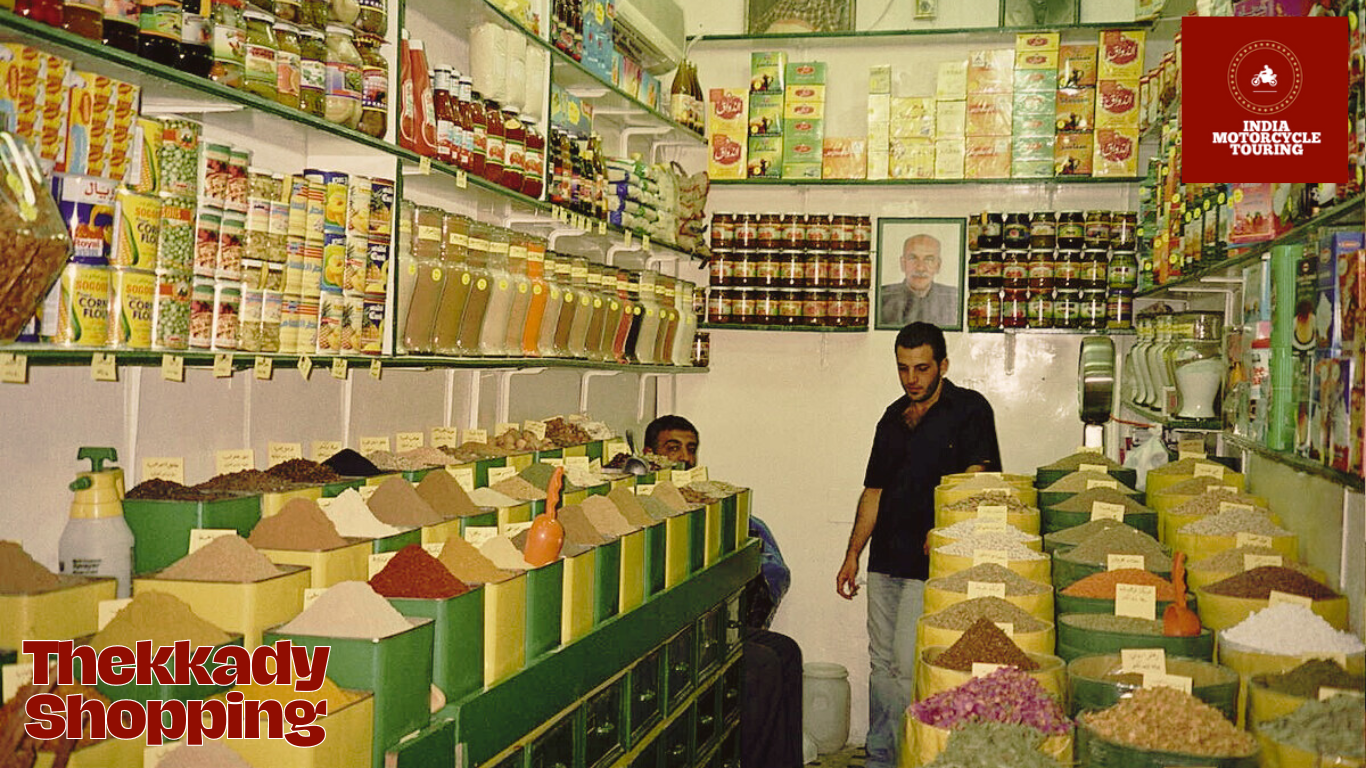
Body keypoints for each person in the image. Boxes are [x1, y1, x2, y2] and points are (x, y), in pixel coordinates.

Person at [835, 323, 1001, 768]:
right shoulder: (892, 418)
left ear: (943, 366)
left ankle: (905, 756)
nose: (912, 378)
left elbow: (978, 478)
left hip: (932, 566)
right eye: (903, 368)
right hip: (884, 560)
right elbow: (874, 492)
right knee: (881, 666)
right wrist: (852, 554)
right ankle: (880, 755)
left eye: (922, 368)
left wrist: (945, 526)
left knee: (906, 668)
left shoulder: (970, 410)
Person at [645, 415, 803, 768]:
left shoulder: (699, 504)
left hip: (706, 624)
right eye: (673, 449)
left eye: (691, 449)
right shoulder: (641, 507)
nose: (684, 458)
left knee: (786, 651)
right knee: (759, 666)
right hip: (666, 636)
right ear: (649, 454)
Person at [878, 234, 960, 327]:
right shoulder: (881, 298)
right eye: (913, 258)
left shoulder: (954, 298)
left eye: (928, 259)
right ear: (903, 264)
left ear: (938, 266)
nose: (920, 268)